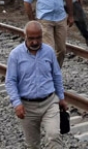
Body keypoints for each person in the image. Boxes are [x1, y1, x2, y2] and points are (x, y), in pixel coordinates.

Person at [5, 21, 68, 149]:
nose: (35, 42)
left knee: (54, 135)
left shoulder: (49, 52)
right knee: (32, 145)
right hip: (27, 107)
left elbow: (56, 75)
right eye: (31, 38)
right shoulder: (15, 55)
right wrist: (17, 103)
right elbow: (10, 81)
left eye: (38, 38)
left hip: (49, 103)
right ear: (25, 36)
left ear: (42, 36)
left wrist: (61, 97)